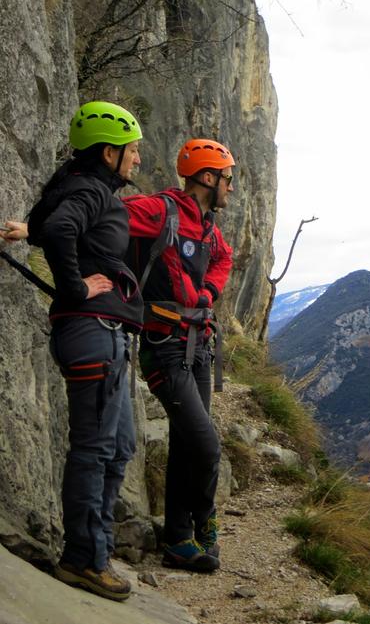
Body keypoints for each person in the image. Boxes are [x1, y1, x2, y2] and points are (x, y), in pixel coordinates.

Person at [1, 100, 144, 601]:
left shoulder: (83, 187)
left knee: (119, 445)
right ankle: (83, 559)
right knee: (96, 447)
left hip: (101, 332)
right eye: (132, 151)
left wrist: (27, 230)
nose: (137, 159)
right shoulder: (90, 190)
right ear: (109, 152)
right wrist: (77, 288)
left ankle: (94, 549)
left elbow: (58, 225)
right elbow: (64, 229)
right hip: (92, 327)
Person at [123, 138, 234, 572]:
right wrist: (33, 230)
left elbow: (222, 260)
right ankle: (205, 523)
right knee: (206, 444)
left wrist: (208, 291)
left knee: (188, 442)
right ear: (208, 177)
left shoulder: (208, 227)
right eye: (227, 178)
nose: (231, 187)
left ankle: (176, 539)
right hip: (163, 345)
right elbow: (104, 218)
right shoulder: (160, 210)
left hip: (198, 343)